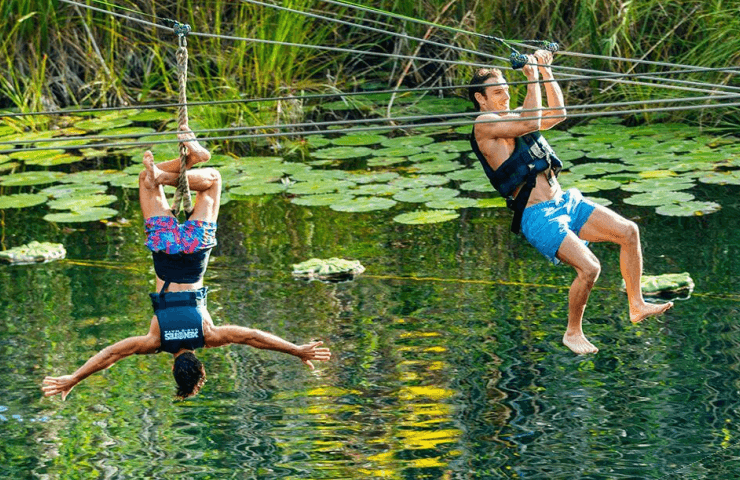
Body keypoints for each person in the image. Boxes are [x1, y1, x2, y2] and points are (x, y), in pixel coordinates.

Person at [43, 128, 331, 400]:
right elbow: (109, 356)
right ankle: (167, 172)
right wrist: (74, 378)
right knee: (145, 179)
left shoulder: (208, 334)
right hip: (165, 249)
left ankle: (182, 165)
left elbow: (254, 338)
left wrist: (297, 351)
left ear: (201, 365)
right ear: (172, 369)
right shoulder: (155, 341)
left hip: (195, 251)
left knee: (213, 181)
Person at [468, 50, 672, 355]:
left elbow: (558, 114)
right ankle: (572, 332)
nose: (505, 97)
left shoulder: (513, 118)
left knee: (629, 232)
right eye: (497, 92)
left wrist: (545, 71)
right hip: (538, 215)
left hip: (565, 201)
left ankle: (636, 304)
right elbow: (531, 120)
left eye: (507, 91)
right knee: (590, 268)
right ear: (480, 99)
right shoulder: (485, 123)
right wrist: (531, 75)